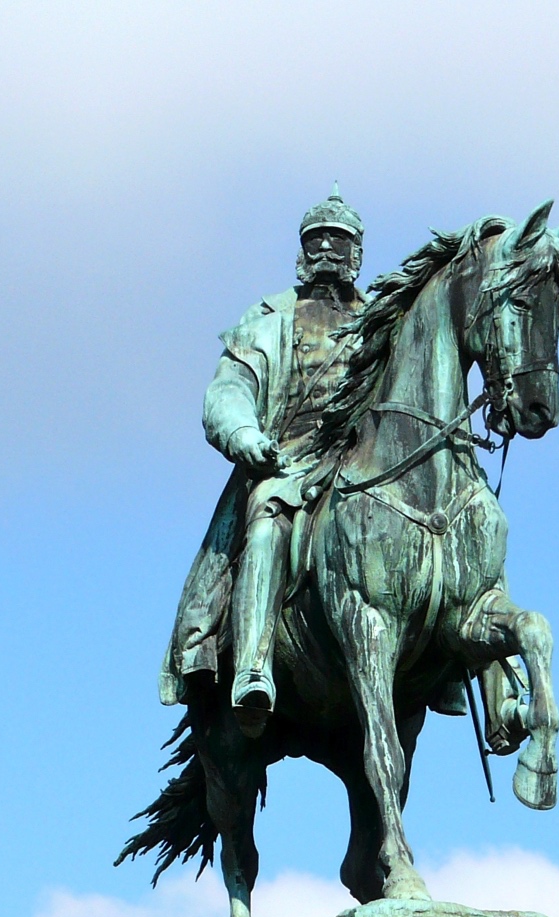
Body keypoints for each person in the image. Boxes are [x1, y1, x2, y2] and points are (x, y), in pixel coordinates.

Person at [162, 189, 367, 732]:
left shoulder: (382, 320)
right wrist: (246, 434)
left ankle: (482, 682)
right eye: (316, 238)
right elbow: (228, 390)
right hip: (288, 462)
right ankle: (253, 667)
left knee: (460, 513)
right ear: (303, 251)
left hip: (364, 466)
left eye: (338, 239)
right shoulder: (267, 317)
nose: (327, 246)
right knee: (267, 521)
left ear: (357, 253)